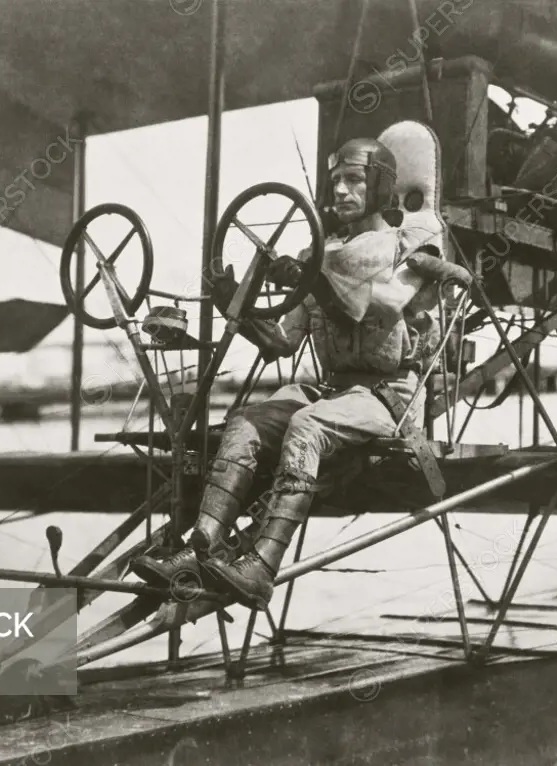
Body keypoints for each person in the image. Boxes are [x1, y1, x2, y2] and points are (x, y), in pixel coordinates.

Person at [132, 137, 472, 608]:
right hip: (332, 392)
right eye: (335, 181)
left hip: (385, 396)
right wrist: (233, 301)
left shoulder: (406, 246)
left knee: (305, 426)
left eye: (354, 180)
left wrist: (311, 278)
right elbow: (282, 342)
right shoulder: (325, 252)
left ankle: (261, 567)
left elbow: (388, 303)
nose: (341, 191)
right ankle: (197, 548)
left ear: (378, 186)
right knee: (246, 422)